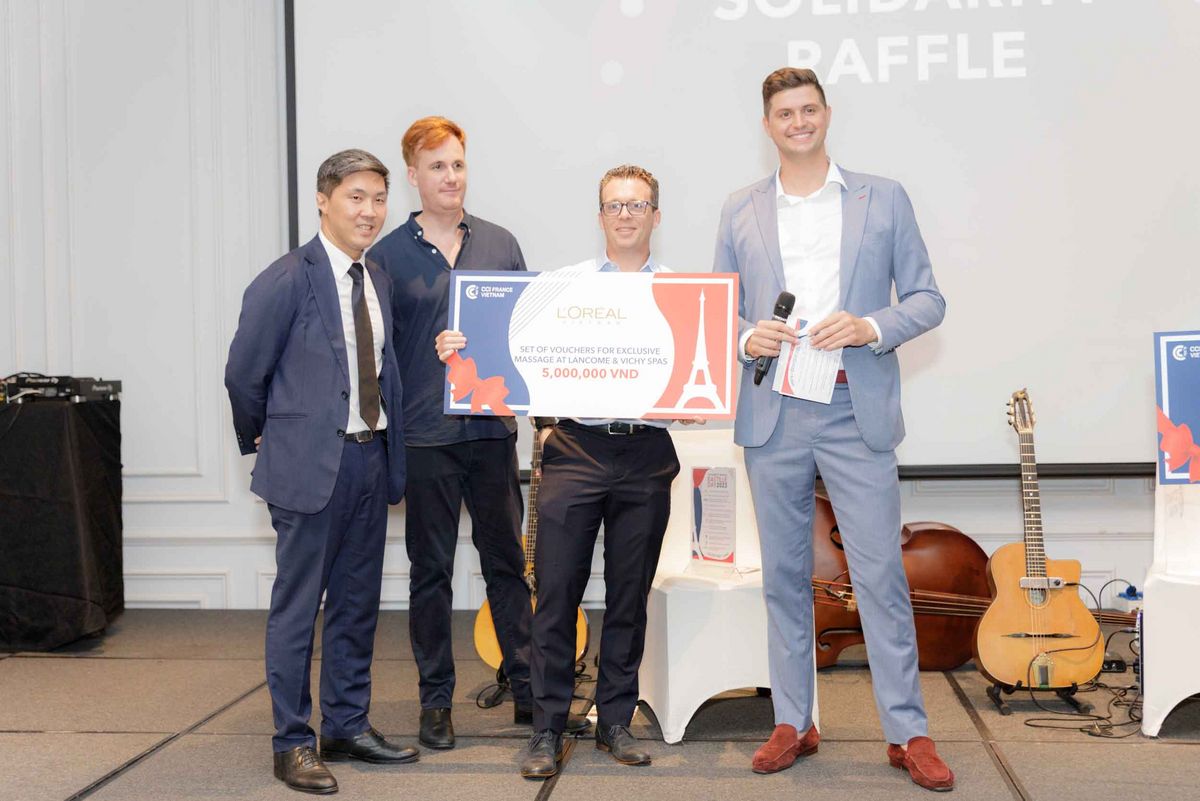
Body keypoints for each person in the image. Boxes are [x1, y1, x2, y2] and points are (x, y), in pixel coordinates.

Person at [713, 68, 953, 792]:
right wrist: (745, 336)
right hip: (776, 411)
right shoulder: (739, 207)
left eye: (808, 108)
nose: (798, 121)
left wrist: (871, 325)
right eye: (784, 112)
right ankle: (794, 720)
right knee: (784, 578)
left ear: (826, 113)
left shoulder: (884, 197)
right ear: (767, 125)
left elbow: (928, 298)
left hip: (855, 408)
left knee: (880, 576)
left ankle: (907, 732)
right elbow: (720, 310)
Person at [225, 149, 419, 794]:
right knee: (298, 609)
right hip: (309, 469)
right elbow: (244, 375)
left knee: (357, 606)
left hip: (370, 459)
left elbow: (383, 372)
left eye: (379, 199)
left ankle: (346, 725)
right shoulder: (285, 278)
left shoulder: (378, 279)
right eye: (356, 197)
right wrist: (271, 438)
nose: (370, 212)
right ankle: (292, 742)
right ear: (323, 200)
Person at [368, 117, 535, 749]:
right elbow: (379, 354)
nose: (450, 176)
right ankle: (435, 702)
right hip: (426, 437)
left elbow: (523, 336)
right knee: (430, 573)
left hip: (491, 431)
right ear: (413, 175)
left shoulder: (501, 243)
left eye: (458, 164)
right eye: (437, 166)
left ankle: (529, 693)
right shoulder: (385, 256)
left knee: (506, 566)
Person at [515, 165, 682, 779]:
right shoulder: (565, 287)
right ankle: (547, 726)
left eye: (637, 205)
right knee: (556, 593)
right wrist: (462, 348)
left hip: (646, 453)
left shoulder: (685, 293)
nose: (625, 215)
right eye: (615, 205)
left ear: (655, 216)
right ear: (601, 216)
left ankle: (614, 720)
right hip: (577, 449)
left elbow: (699, 372)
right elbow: (519, 354)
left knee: (629, 597)